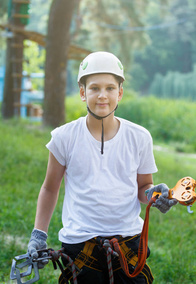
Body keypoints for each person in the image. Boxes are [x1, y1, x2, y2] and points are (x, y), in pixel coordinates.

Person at [28, 52, 177, 284]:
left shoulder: (139, 137)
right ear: (82, 92)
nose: (102, 95)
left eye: (109, 88)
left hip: (129, 244)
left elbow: (143, 186)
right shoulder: (63, 137)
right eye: (94, 88)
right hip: (79, 246)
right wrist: (38, 235)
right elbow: (50, 188)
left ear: (120, 93)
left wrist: (153, 195)